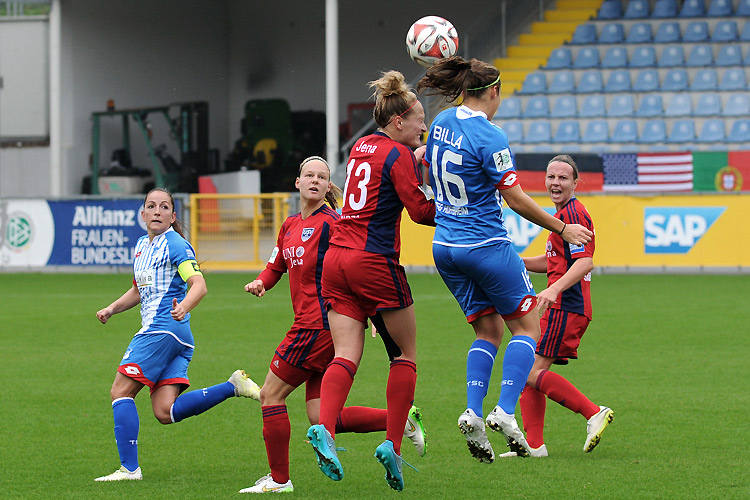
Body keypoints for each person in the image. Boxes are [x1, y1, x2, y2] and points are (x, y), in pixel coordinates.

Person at [416, 57, 593, 463]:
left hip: (446, 248)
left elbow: (424, 158)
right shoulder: (491, 135)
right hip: (487, 246)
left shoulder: (442, 120)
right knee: (528, 329)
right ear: (493, 92)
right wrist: (562, 229)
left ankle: (473, 412)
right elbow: (515, 199)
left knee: (487, 333)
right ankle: (504, 411)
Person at [239, 157, 427, 494]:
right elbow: (276, 265)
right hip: (315, 326)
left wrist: (369, 313)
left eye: (321, 177)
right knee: (321, 415)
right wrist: (261, 282)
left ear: (328, 187)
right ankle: (401, 420)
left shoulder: (333, 224)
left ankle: (279, 480)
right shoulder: (289, 225)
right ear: (297, 182)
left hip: (318, 326)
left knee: (270, 395)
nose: (314, 180)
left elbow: (352, 270)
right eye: (309, 175)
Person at [306, 70, 436, 492]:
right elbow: (419, 212)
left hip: (336, 261)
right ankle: (392, 445)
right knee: (405, 356)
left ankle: (325, 427)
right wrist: (448, 200)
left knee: (346, 353)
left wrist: (412, 163)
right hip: (373, 261)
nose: (424, 127)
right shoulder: (398, 155)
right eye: (419, 120)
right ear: (399, 121)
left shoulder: (361, 147)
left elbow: (380, 176)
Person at [94, 188, 260, 482]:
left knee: (120, 391)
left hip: (162, 329)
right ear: (143, 215)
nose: (157, 211)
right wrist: (111, 308)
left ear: (172, 216)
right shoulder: (141, 247)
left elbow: (199, 284)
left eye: (164, 207)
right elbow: (137, 290)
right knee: (164, 411)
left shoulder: (175, 244)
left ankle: (129, 469)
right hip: (177, 336)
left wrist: (183, 305)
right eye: (151, 206)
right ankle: (232, 385)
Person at [498, 155, 613, 458]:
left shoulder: (574, 215)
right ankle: (534, 447)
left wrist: (554, 288)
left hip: (566, 306)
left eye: (563, 177)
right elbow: (550, 261)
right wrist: (515, 261)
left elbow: (585, 261)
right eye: (551, 177)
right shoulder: (561, 217)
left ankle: (593, 411)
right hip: (561, 304)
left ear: (575, 183)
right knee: (530, 372)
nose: (555, 183)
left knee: (529, 371)